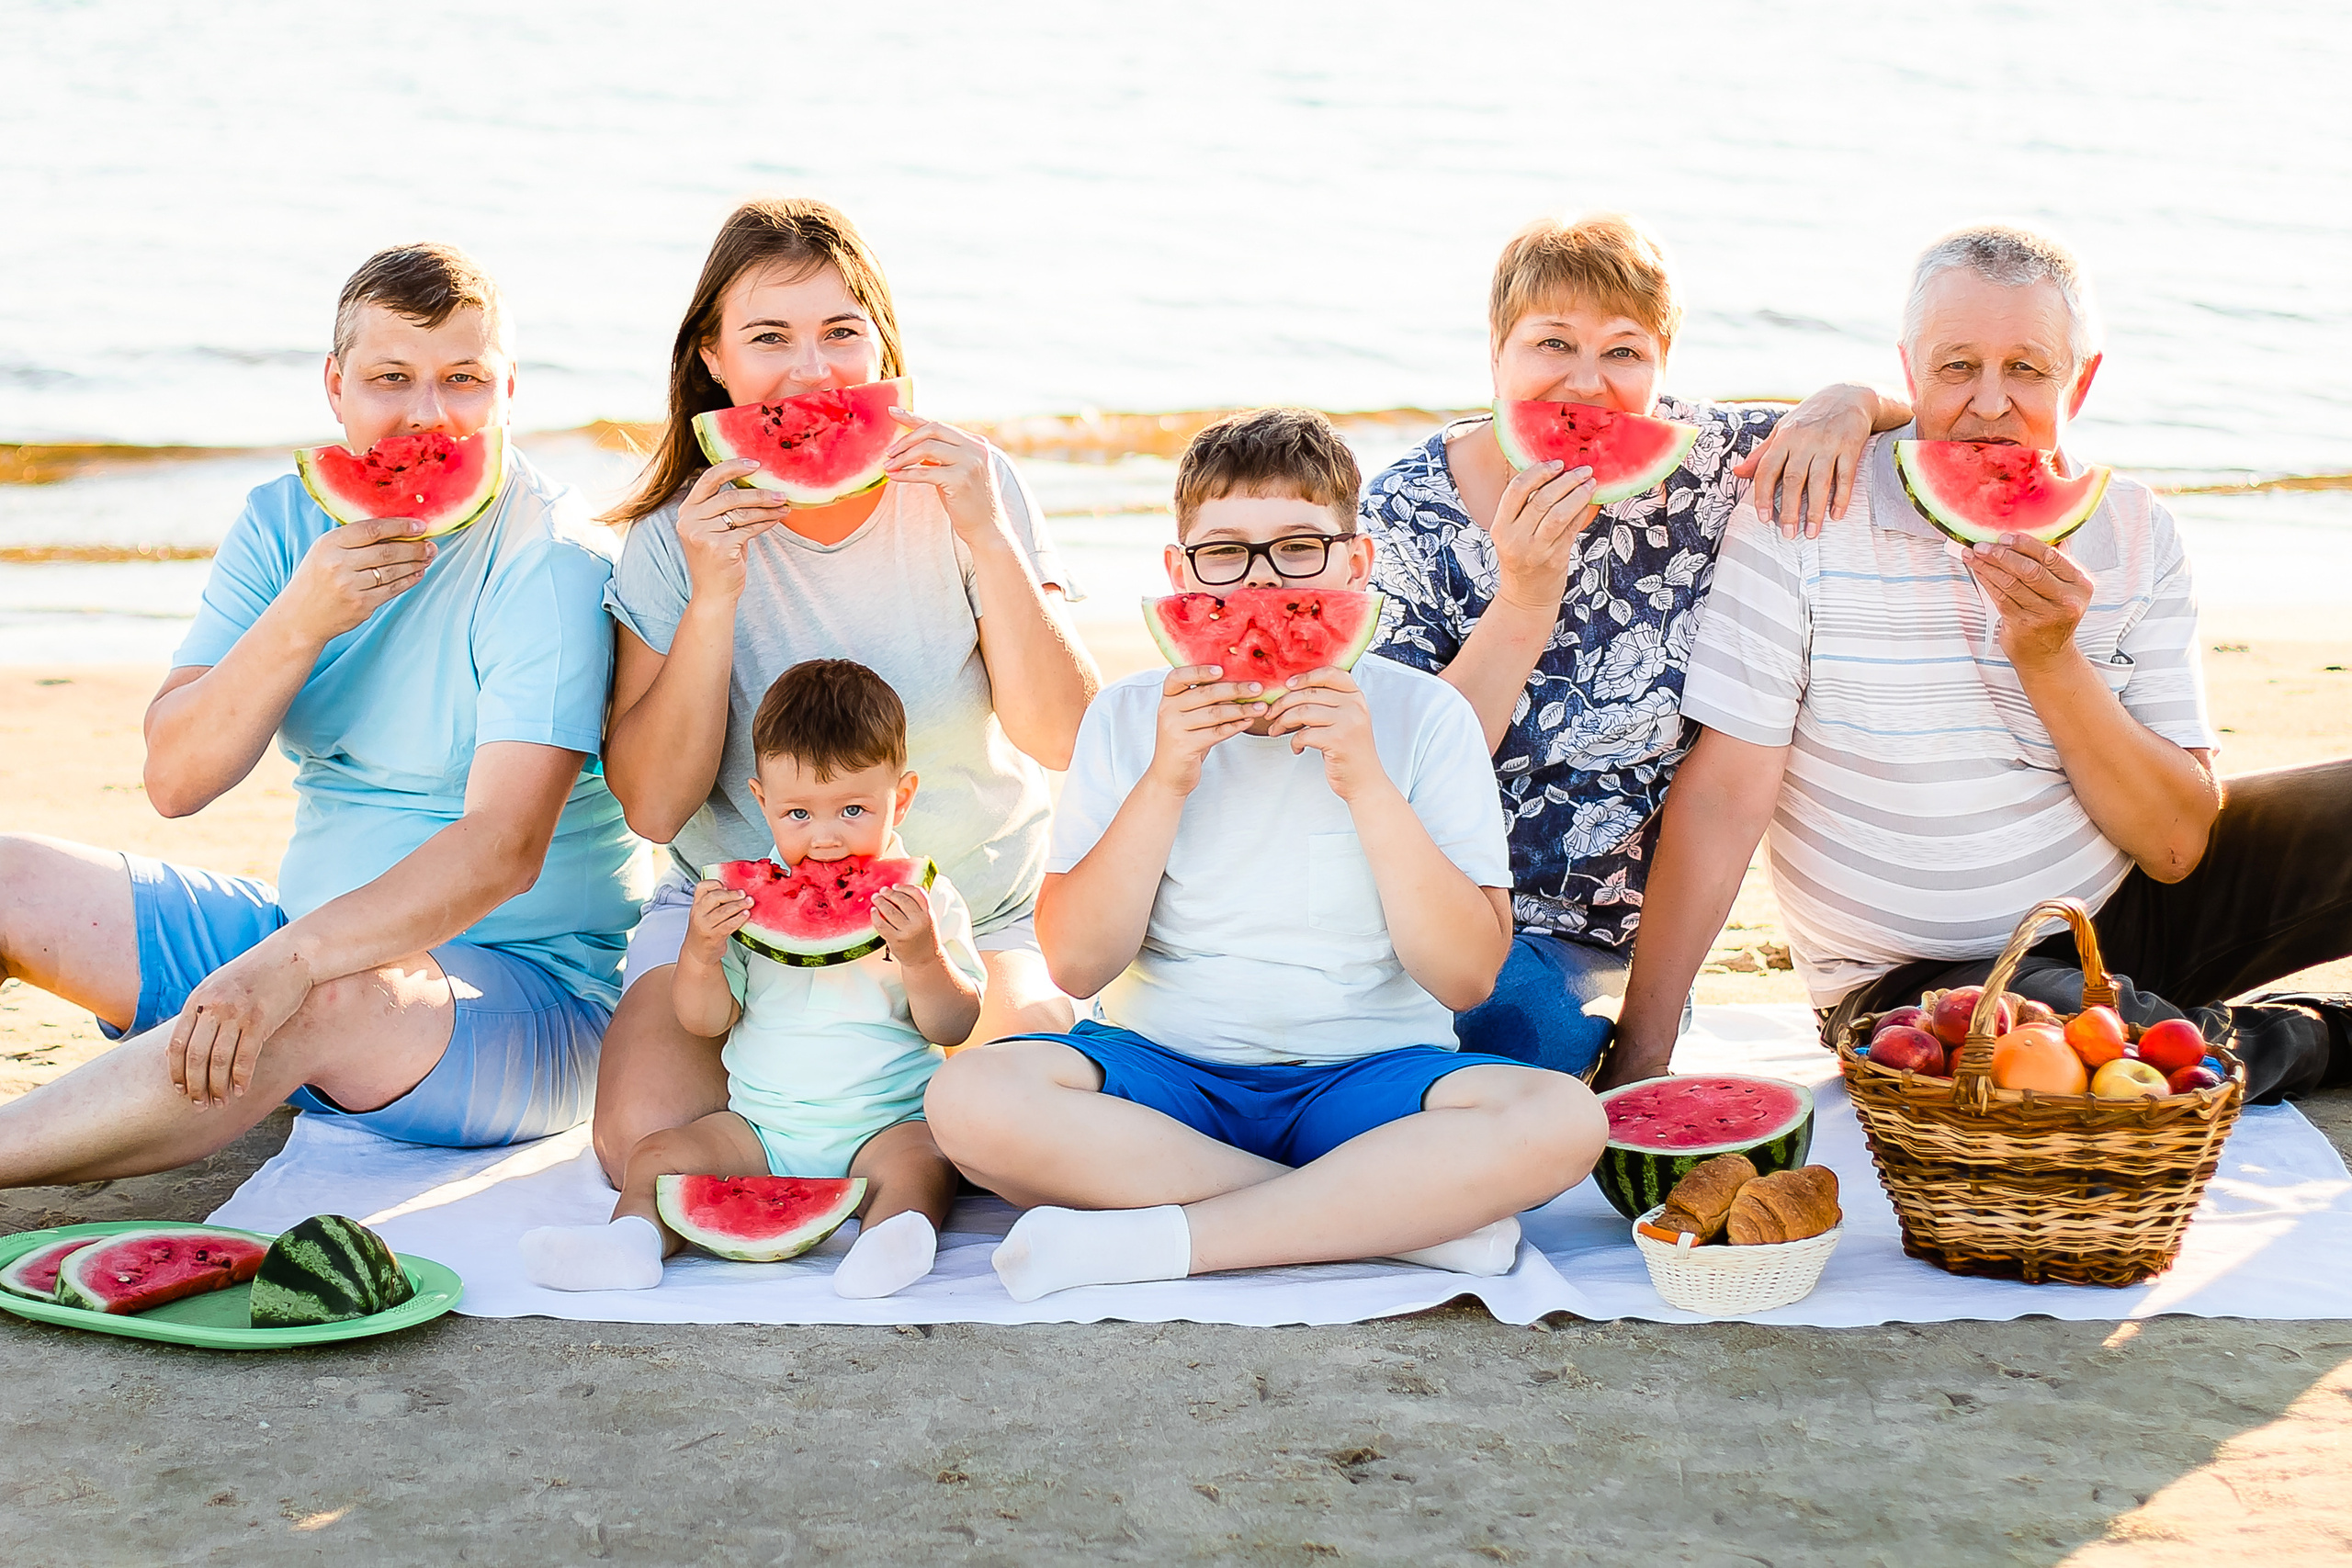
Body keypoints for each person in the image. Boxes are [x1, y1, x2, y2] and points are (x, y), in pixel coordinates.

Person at [1610, 223, 2351, 1101]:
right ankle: (2316, 1037)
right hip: (1912, 981)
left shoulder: (2137, 529)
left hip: (2120, 909)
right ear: (1909, 371)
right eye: (1957, 367)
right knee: (2095, 1071)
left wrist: (2050, 661)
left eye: (2028, 369)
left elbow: (2177, 843)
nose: (1990, 405)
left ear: (2084, 376)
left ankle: (2155, 1019)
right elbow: (1726, 796)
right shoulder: (1804, 513)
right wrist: (1641, 1048)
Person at [924, 409, 1607, 1303]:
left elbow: (1466, 980)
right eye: (1224, 554)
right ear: (1178, 572)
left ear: (1355, 564)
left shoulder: (1421, 716)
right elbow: (1079, 960)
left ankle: (1170, 1240)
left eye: (1297, 549)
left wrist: (1366, 781)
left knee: (1560, 1119)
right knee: (970, 1099)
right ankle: (1388, 1224)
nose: (1258, 585)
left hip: (1374, 1079)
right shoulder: (1129, 718)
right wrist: (1164, 780)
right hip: (1166, 1078)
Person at [0, 243, 644, 1183]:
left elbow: (504, 845)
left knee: (334, 996)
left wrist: (291, 966)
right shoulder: (279, 524)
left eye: (462, 379)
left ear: (509, 393)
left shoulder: (551, 559)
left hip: (512, 1005)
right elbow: (176, 780)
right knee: (8, 877)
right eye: (392, 379)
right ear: (335, 389)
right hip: (298, 942)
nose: (427, 414)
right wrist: (302, 618)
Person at [593, 198, 1096, 1188]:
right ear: (712, 359)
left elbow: (1064, 734)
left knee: (1025, 1140)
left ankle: (885, 1133)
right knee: (637, 1152)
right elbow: (653, 806)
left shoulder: (970, 488)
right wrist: (713, 595)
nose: (812, 372)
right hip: (732, 923)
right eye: (769, 338)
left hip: (968, 910)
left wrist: (988, 537)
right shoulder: (673, 537)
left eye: (840, 333)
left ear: (882, 347)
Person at [1362, 212, 1914, 1078]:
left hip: (1590, 937)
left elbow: (1923, 433)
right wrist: (1523, 597)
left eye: (1625, 352)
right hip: (1411, 901)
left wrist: (1851, 400)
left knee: (1519, 1028)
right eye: (1553, 344)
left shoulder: (1710, 466)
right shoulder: (1403, 511)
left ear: (1662, 368)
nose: (1587, 385)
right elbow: (1400, 762)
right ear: (1495, 354)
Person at [522, 660, 982, 1299]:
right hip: (761, 1128)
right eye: (798, 813)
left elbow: (955, 1022)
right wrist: (702, 954)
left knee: (926, 1164)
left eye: (853, 808)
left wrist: (924, 956)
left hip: (885, 1124)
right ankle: (629, 1243)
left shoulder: (924, 899)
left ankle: (889, 1243)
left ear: (900, 797)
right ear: (761, 800)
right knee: (655, 1155)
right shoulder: (742, 902)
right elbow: (705, 1020)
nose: (824, 839)